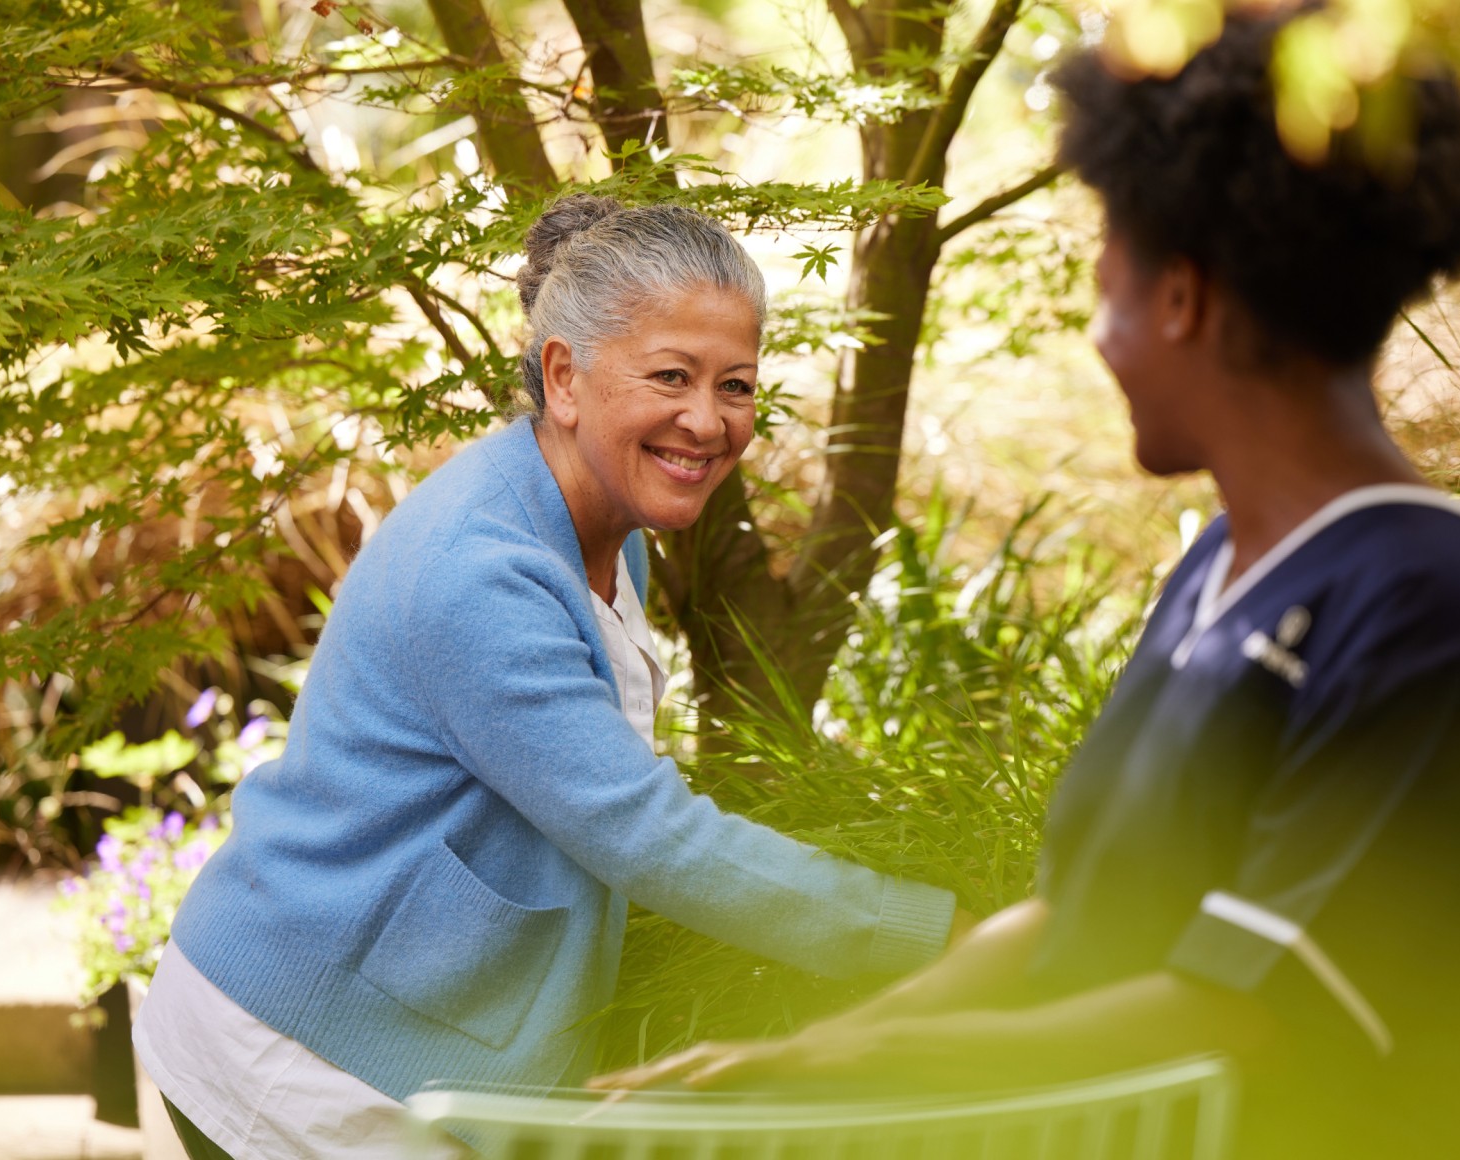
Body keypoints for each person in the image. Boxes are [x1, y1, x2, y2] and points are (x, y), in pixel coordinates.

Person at [592, 13, 1460, 1159]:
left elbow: (1239, 1013)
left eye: (1105, 285)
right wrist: (791, 1059)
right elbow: (1069, 923)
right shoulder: (1224, 564)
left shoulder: (1415, 597)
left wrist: (830, 1067)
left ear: (1181, 300)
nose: (1098, 337)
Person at [134, 196, 966, 1160]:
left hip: (394, 1040)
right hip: (304, 1059)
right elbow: (649, 838)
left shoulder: (602, 525)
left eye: (734, 384)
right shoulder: (481, 571)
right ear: (564, 375)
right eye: (671, 376)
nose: (708, 420)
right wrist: (931, 935)